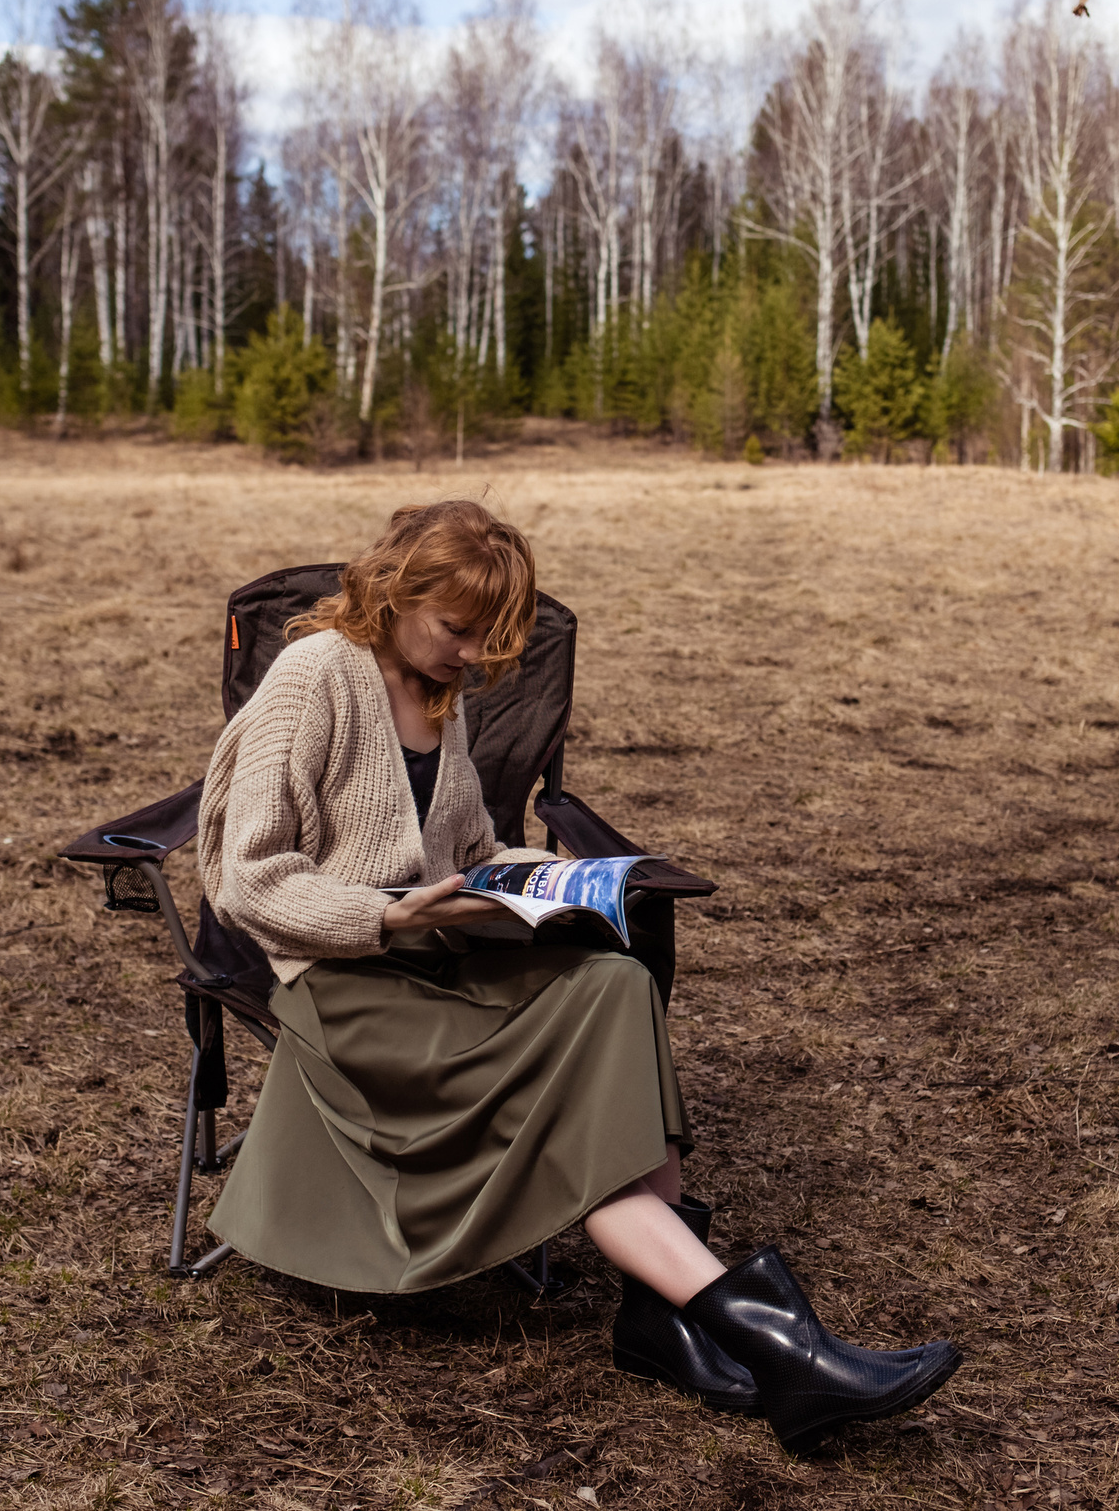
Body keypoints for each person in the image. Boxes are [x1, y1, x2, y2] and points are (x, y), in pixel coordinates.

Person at [195, 500, 959, 1455]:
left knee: (617, 982)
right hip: (350, 984)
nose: (473, 654)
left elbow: (467, 845)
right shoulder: (316, 676)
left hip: (439, 957)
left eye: (489, 636)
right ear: (395, 590)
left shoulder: (437, 692)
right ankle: (784, 1349)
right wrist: (387, 915)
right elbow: (249, 877)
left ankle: (668, 1319)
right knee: (578, 1086)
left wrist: (552, 879)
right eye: (457, 628)